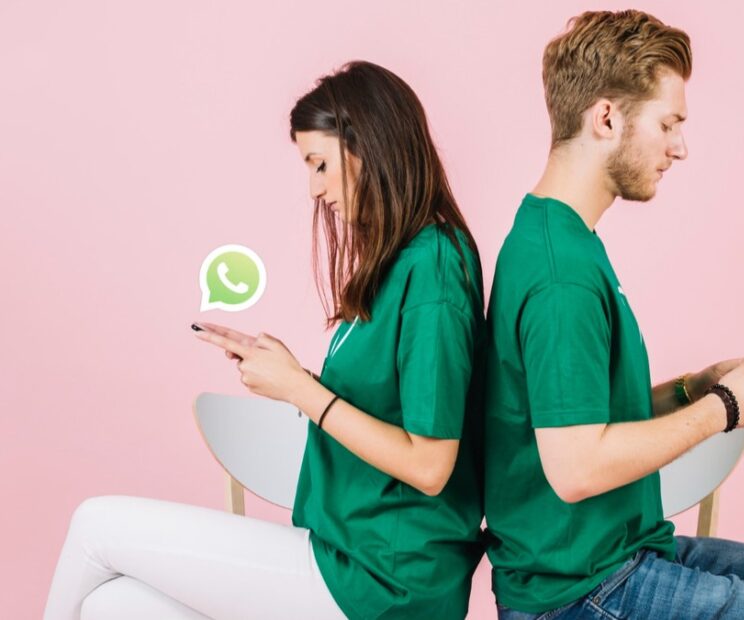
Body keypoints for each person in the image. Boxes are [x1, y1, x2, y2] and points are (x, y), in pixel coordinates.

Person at [43, 60, 486, 620]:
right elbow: (383, 406)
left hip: (385, 582)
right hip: (352, 554)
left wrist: (299, 389)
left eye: (320, 164)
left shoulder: (434, 268)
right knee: (112, 604)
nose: (315, 189)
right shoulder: (401, 262)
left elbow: (430, 464)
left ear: (370, 145)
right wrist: (286, 375)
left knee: (93, 525)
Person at [482, 10, 744, 620]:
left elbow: (579, 414)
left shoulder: (563, 236)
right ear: (606, 118)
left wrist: (695, 386)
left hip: (619, 552)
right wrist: (724, 408)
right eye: (668, 124)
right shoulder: (560, 273)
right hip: (578, 592)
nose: (680, 147)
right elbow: (576, 466)